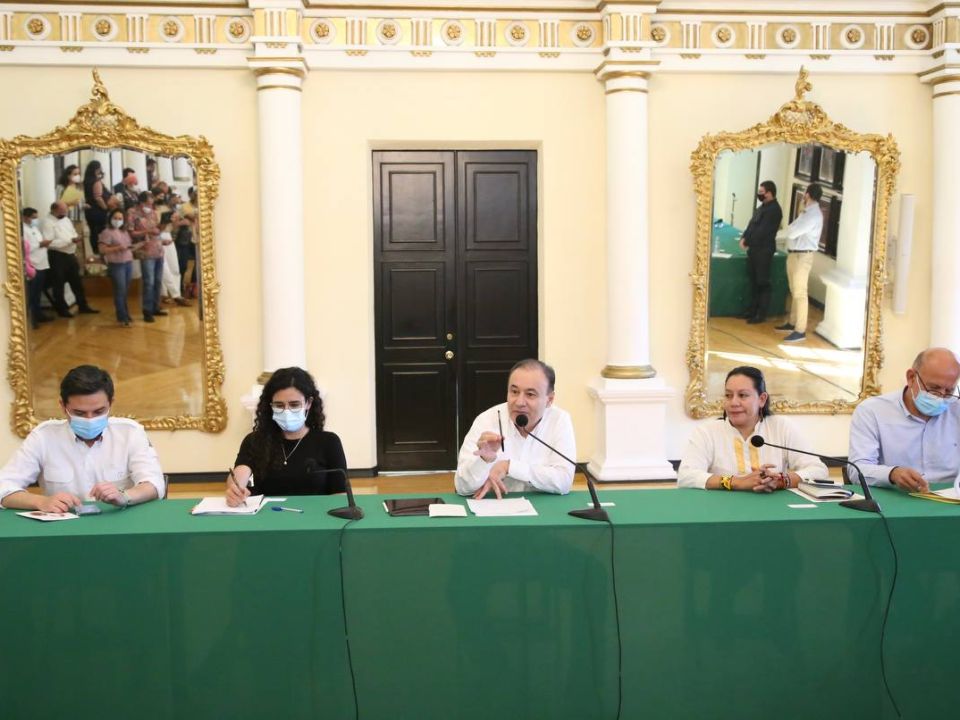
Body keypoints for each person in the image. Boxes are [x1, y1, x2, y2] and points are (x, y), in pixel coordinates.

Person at [0, 365, 165, 512]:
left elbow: (154, 484)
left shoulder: (130, 432)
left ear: (111, 403)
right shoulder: (43, 436)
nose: (89, 419)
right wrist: (41, 501)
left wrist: (125, 496)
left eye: (99, 411)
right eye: (79, 413)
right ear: (63, 407)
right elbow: (3, 487)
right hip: (63, 530)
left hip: (120, 525)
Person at [677, 366, 828, 490]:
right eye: (728, 395)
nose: (733, 402)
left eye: (742, 395)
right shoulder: (707, 432)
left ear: (762, 399)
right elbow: (686, 476)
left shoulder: (781, 427)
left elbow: (819, 470)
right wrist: (736, 482)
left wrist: (781, 480)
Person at [455, 358, 575, 499]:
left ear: (549, 400)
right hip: (494, 509)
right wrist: (483, 460)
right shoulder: (487, 420)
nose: (519, 402)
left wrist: (509, 467)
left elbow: (564, 481)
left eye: (530, 394)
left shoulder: (559, 420)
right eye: (514, 392)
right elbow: (462, 487)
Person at [226, 367, 347, 505]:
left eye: (294, 404)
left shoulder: (329, 442)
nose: (287, 411)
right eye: (279, 405)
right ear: (270, 405)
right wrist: (235, 489)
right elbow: (240, 472)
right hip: (267, 520)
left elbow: (340, 495)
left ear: (308, 403)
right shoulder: (254, 441)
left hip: (315, 519)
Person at [849, 348, 960, 492]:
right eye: (934, 388)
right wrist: (892, 474)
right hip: (896, 498)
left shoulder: (956, 410)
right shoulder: (872, 411)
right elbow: (857, 470)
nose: (941, 397)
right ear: (911, 377)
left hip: (952, 499)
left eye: (949, 391)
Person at [775, 183, 824, 343]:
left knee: (800, 292)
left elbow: (793, 232)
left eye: (804, 192)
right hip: (794, 255)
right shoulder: (805, 212)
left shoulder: (813, 215)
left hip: (803, 257)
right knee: (793, 290)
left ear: (808, 194)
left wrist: (789, 231)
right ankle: (792, 322)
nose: (803, 194)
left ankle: (800, 330)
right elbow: (791, 228)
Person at [41, 201, 98, 317]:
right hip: (57, 256)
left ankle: (83, 306)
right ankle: (62, 310)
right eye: (62, 211)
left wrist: (75, 238)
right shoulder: (47, 223)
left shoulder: (66, 220)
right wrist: (69, 241)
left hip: (70, 254)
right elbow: (49, 243)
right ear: (54, 210)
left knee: (77, 282)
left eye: (65, 210)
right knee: (59, 284)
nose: (64, 213)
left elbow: (73, 233)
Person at [738, 180, 783, 324]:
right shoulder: (762, 207)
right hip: (754, 250)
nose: (759, 194)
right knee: (754, 282)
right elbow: (752, 224)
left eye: (762, 192)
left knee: (762, 282)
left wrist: (748, 241)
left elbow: (762, 232)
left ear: (769, 193)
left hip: (764, 251)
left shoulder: (775, 210)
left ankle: (761, 314)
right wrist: (744, 237)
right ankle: (752, 310)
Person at [126, 191, 166, 323]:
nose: (153, 199)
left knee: (158, 280)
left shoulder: (154, 212)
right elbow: (131, 232)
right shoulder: (132, 212)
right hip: (145, 250)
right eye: (151, 197)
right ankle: (147, 310)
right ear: (143, 200)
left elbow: (157, 229)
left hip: (158, 248)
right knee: (149, 281)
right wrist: (148, 231)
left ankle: (155, 306)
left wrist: (166, 223)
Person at [98, 208, 137, 327]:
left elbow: (128, 246)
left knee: (124, 291)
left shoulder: (124, 231)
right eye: (115, 218)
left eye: (120, 218)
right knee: (120, 291)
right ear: (110, 219)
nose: (117, 220)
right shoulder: (107, 232)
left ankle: (125, 314)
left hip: (127, 262)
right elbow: (102, 250)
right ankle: (122, 317)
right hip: (116, 264)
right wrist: (117, 248)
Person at [22, 207, 52, 329]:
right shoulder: (23, 230)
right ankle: (31, 319)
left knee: (38, 292)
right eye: (33, 217)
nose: (36, 220)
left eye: (36, 217)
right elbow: (26, 247)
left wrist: (44, 243)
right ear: (25, 217)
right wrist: (40, 244)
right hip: (32, 265)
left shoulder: (34, 228)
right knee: (31, 294)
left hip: (41, 263)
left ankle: (38, 314)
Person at [82, 160, 110, 252]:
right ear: (97, 169)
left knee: (93, 232)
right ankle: (101, 251)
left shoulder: (85, 181)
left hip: (89, 211)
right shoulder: (96, 182)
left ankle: (95, 251)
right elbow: (98, 197)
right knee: (101, 232)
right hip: (98, 210)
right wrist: (105, 208)